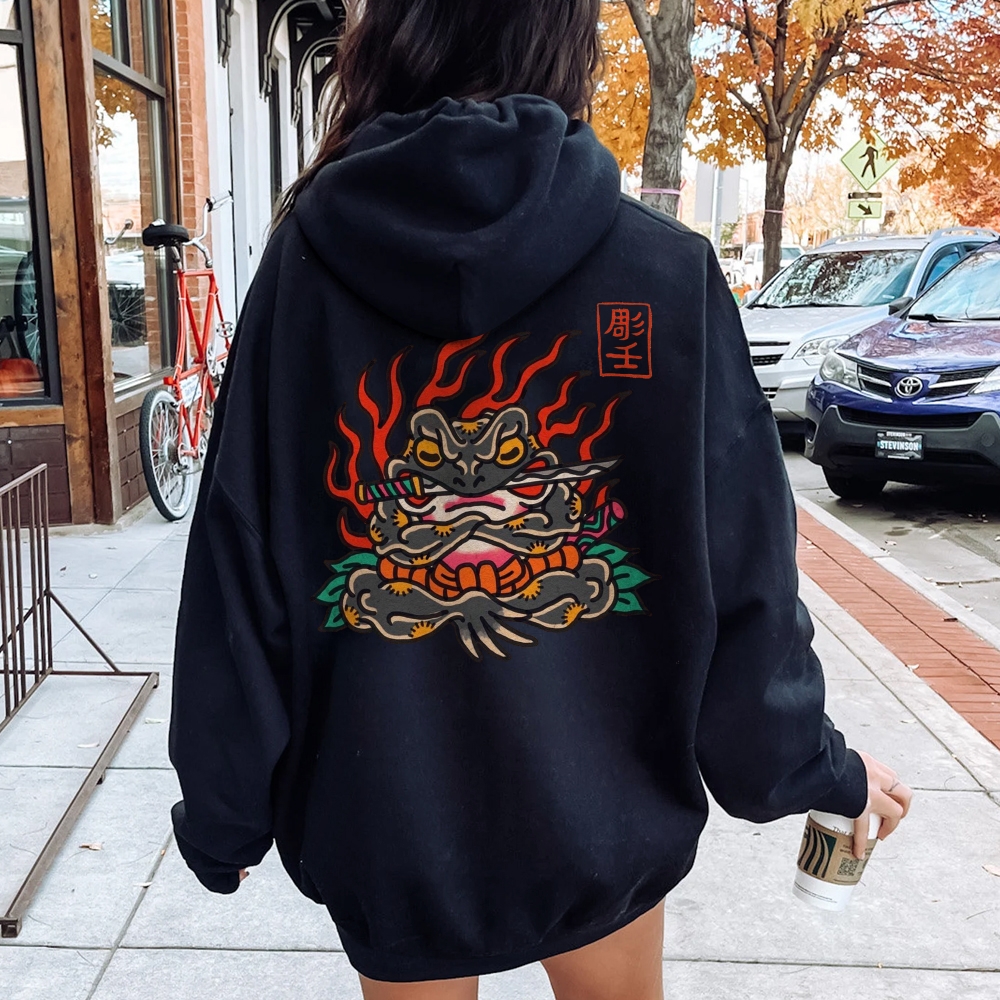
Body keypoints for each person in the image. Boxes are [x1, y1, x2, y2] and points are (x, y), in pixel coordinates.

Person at [168, 1, 913, 997]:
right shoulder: (662, 273)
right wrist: (813, 766)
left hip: (389, 826)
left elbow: (237, 565)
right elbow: (746, 582)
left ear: (389, 35)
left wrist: (224, 813)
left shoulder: (304, 266)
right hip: (603, 821)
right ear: (566, 41)